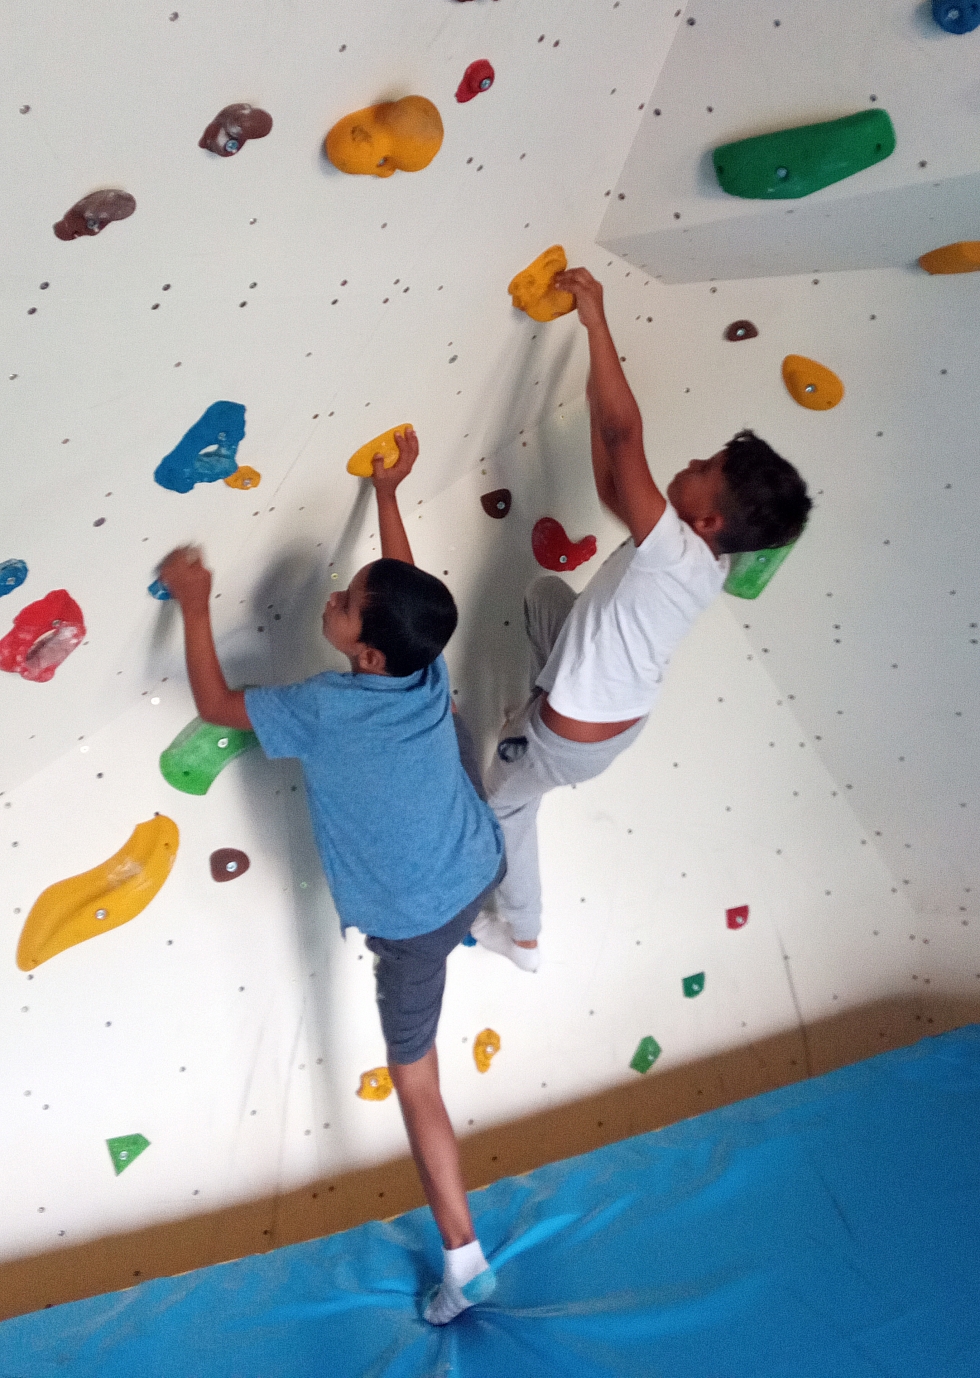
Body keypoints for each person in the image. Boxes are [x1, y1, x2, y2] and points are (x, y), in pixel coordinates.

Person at [159, 429, 503, 1327]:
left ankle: (464, 1259)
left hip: (414, 921)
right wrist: (388, 493)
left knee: (416, 1079)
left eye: (347, 605)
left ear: (367, 656)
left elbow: (217, 705)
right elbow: (404, 587)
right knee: (451, 727)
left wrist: (194, 602)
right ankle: (490, 918)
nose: (336, 598)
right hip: (477, 862)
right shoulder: (421, 667)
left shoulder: (320, 707)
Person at [473, 266, 812, 973]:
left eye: (703, 467)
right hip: (614, 715)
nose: (689, 462)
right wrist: (595, 401)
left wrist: (595, 322)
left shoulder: (674, 553)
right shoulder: (700, 557)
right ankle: (533, 705)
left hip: (567, 738)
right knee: (544, 596)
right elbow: (612, 477)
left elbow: (625, 435)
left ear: (708, 518)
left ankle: (523, 935)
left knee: (504, 805)